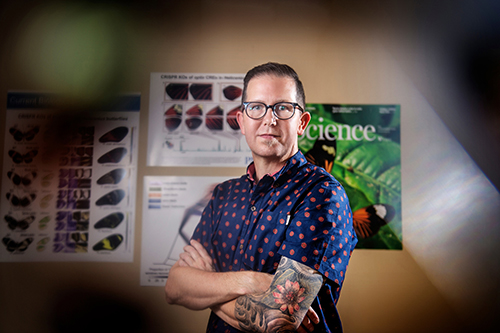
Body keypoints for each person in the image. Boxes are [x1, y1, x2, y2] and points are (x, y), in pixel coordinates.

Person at [165, 62, 357, 333]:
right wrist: (253, 281)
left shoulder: (322, 194)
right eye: (256, 107)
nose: (270, 119)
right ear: (242, 121)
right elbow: (174, 286)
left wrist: (206, 288)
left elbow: (278, 321)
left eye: (283, 108)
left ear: (301, 122)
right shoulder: (224, 195)